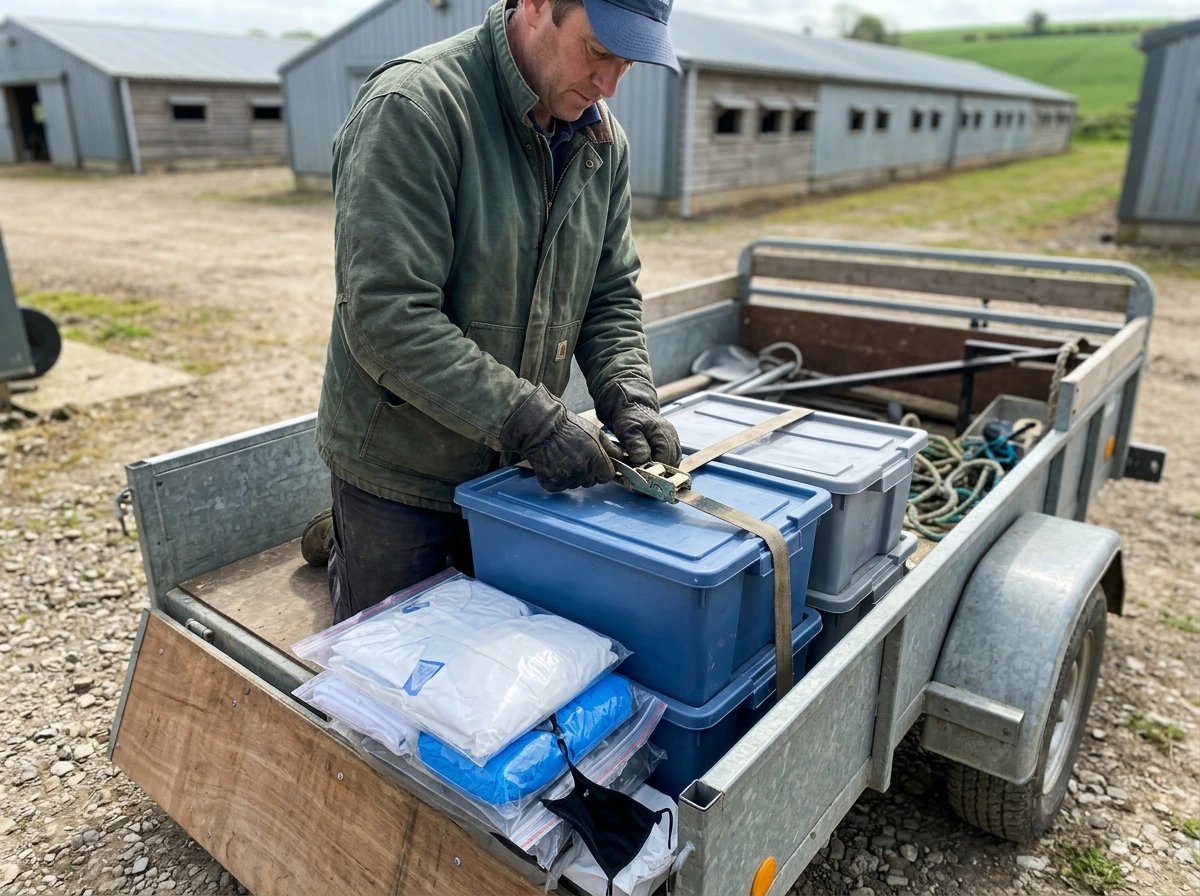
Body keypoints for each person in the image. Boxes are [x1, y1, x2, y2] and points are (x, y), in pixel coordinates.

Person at [303, 0, 683, 623]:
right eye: (597, 51)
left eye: (627, 63)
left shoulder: (600, 141)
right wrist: (531, 420)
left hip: (515, 468)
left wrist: (628, 393)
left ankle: (352, 538)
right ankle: (349, 543)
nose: (608, 84)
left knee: (506, 644)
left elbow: (609, 292)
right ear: (536, 6)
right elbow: (387, 317)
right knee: (391, 659)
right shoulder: (415, 108)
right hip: (406, 468)